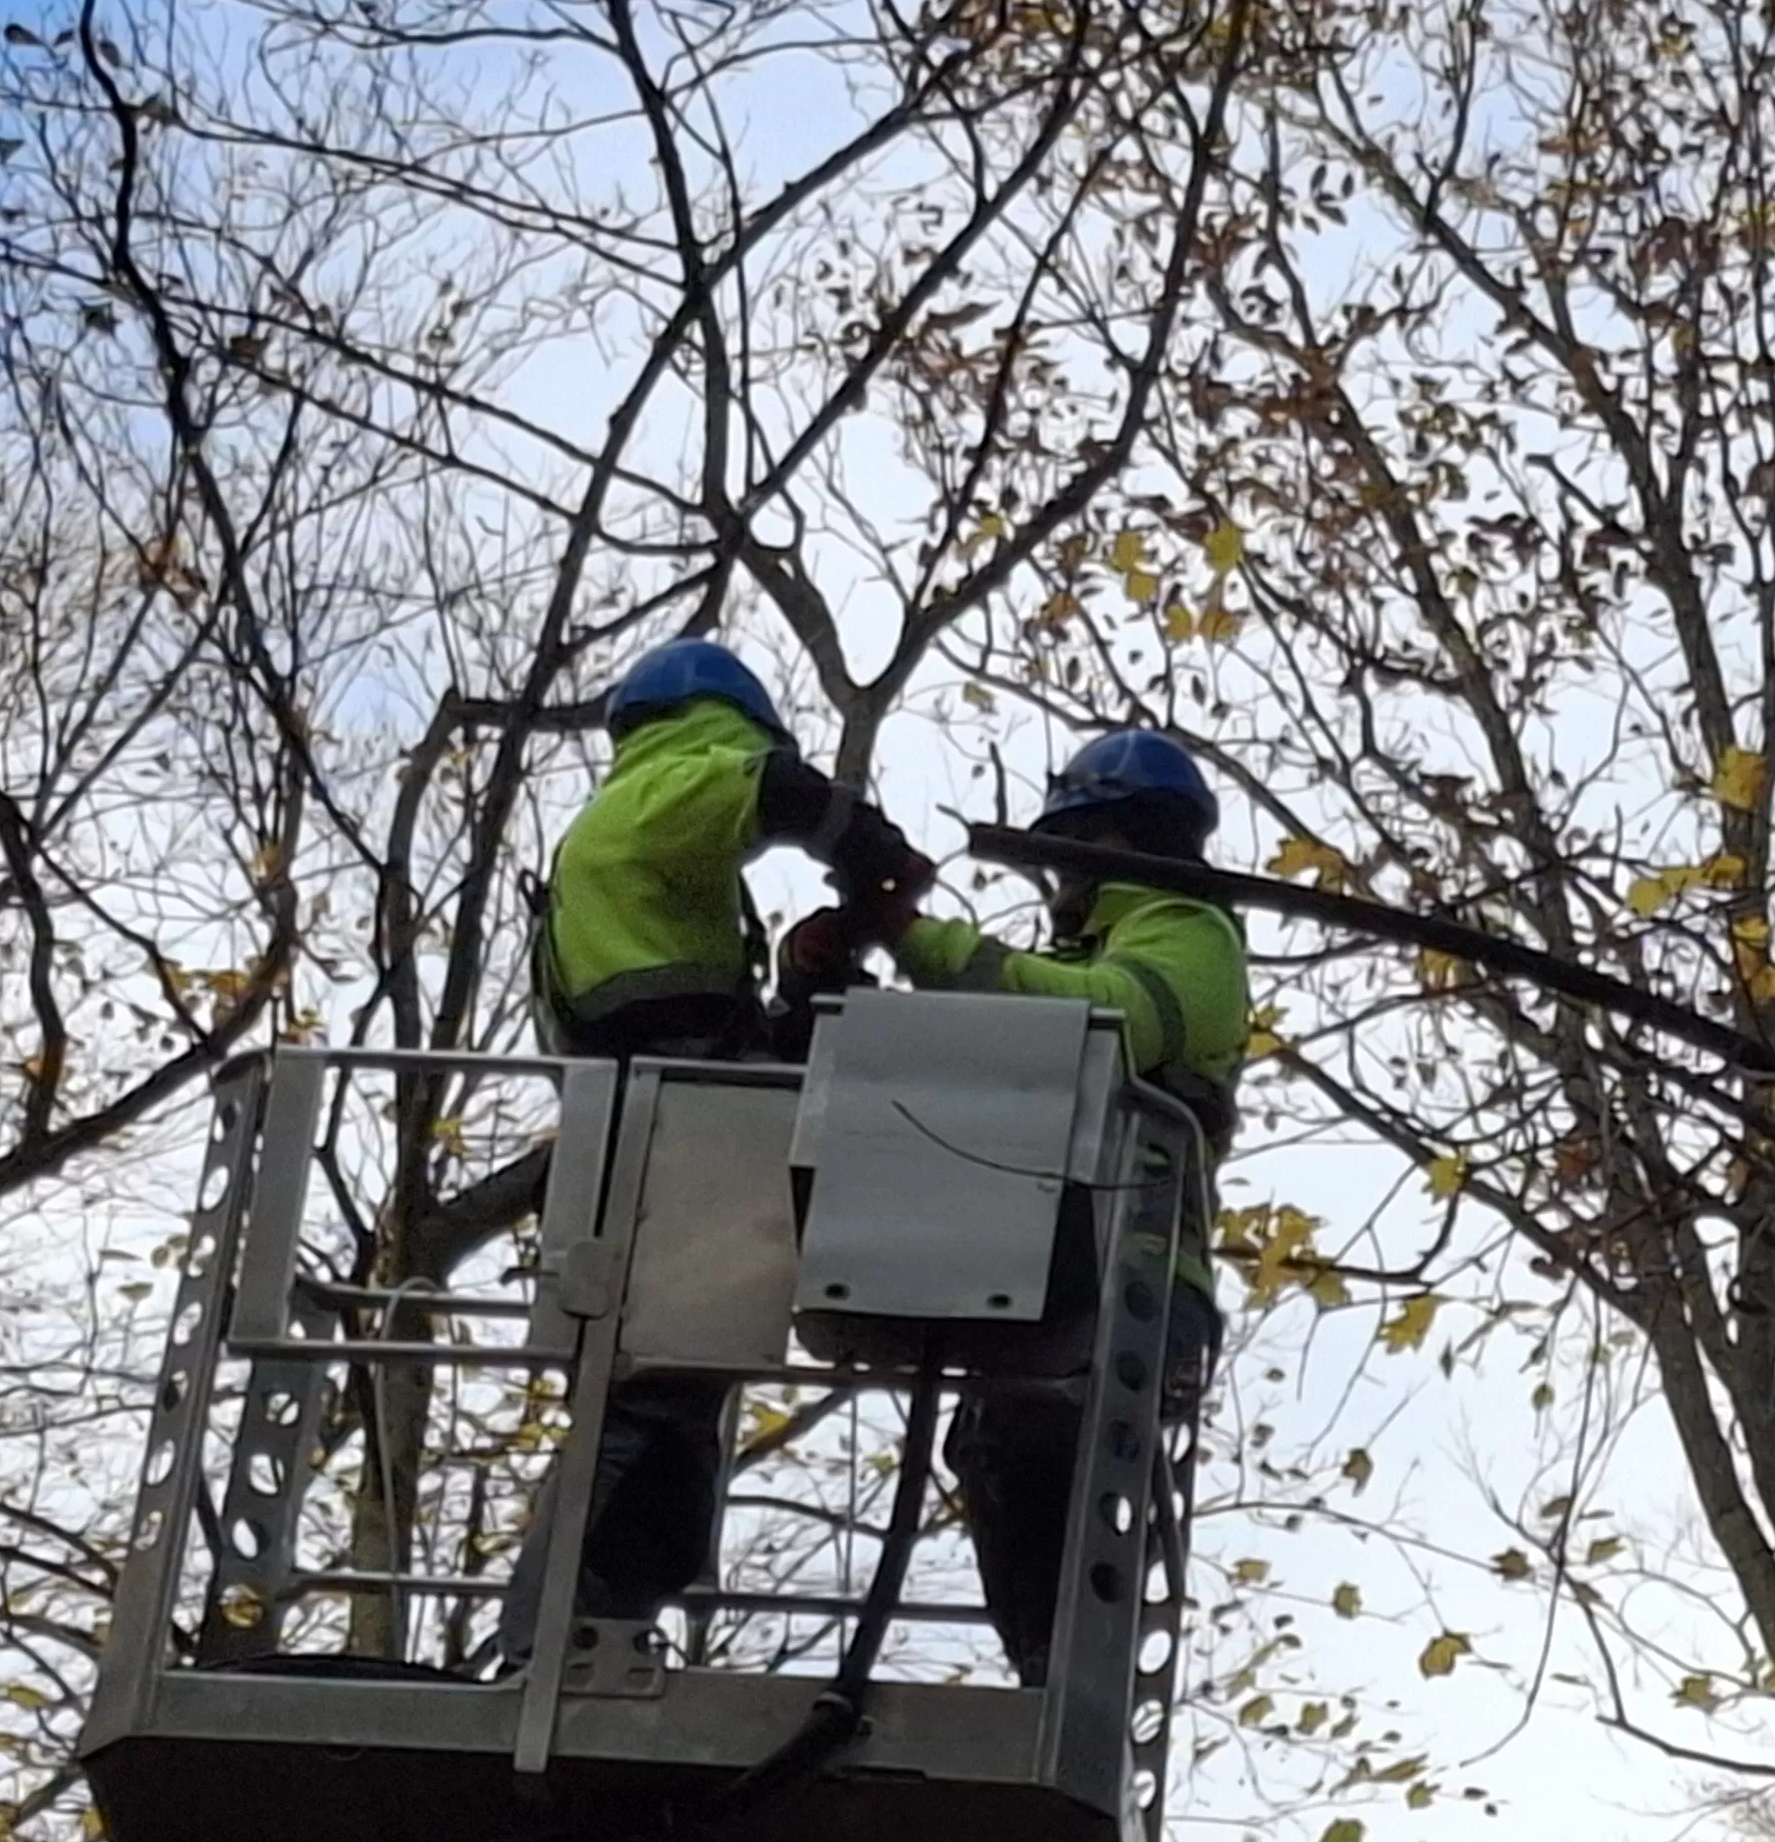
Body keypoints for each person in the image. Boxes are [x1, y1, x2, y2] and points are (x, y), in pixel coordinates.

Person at [504, 639, 925, 1647]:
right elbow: (777, 790)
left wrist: (803, 994)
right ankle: (560, 1637)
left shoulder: (628, 857)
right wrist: (870, 849)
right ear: (713, 726)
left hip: (663, 1134)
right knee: (653, 1407)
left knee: (673, 1403)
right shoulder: (663, 794)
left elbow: (704, 1024)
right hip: (675, 1137)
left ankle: (596, 1627)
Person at [876, 727, 1249, 1684]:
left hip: (1140, 1281)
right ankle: (1049, 1672)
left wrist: (920, 942)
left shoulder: (1190, 935)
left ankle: (1078, 1676)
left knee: (1046, 1434)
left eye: (1070, 854)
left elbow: (1099, 1020)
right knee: (995, 1442)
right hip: (1064, 1272)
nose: (1057, 887)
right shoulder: (1126, 935)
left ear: (1114, 841)